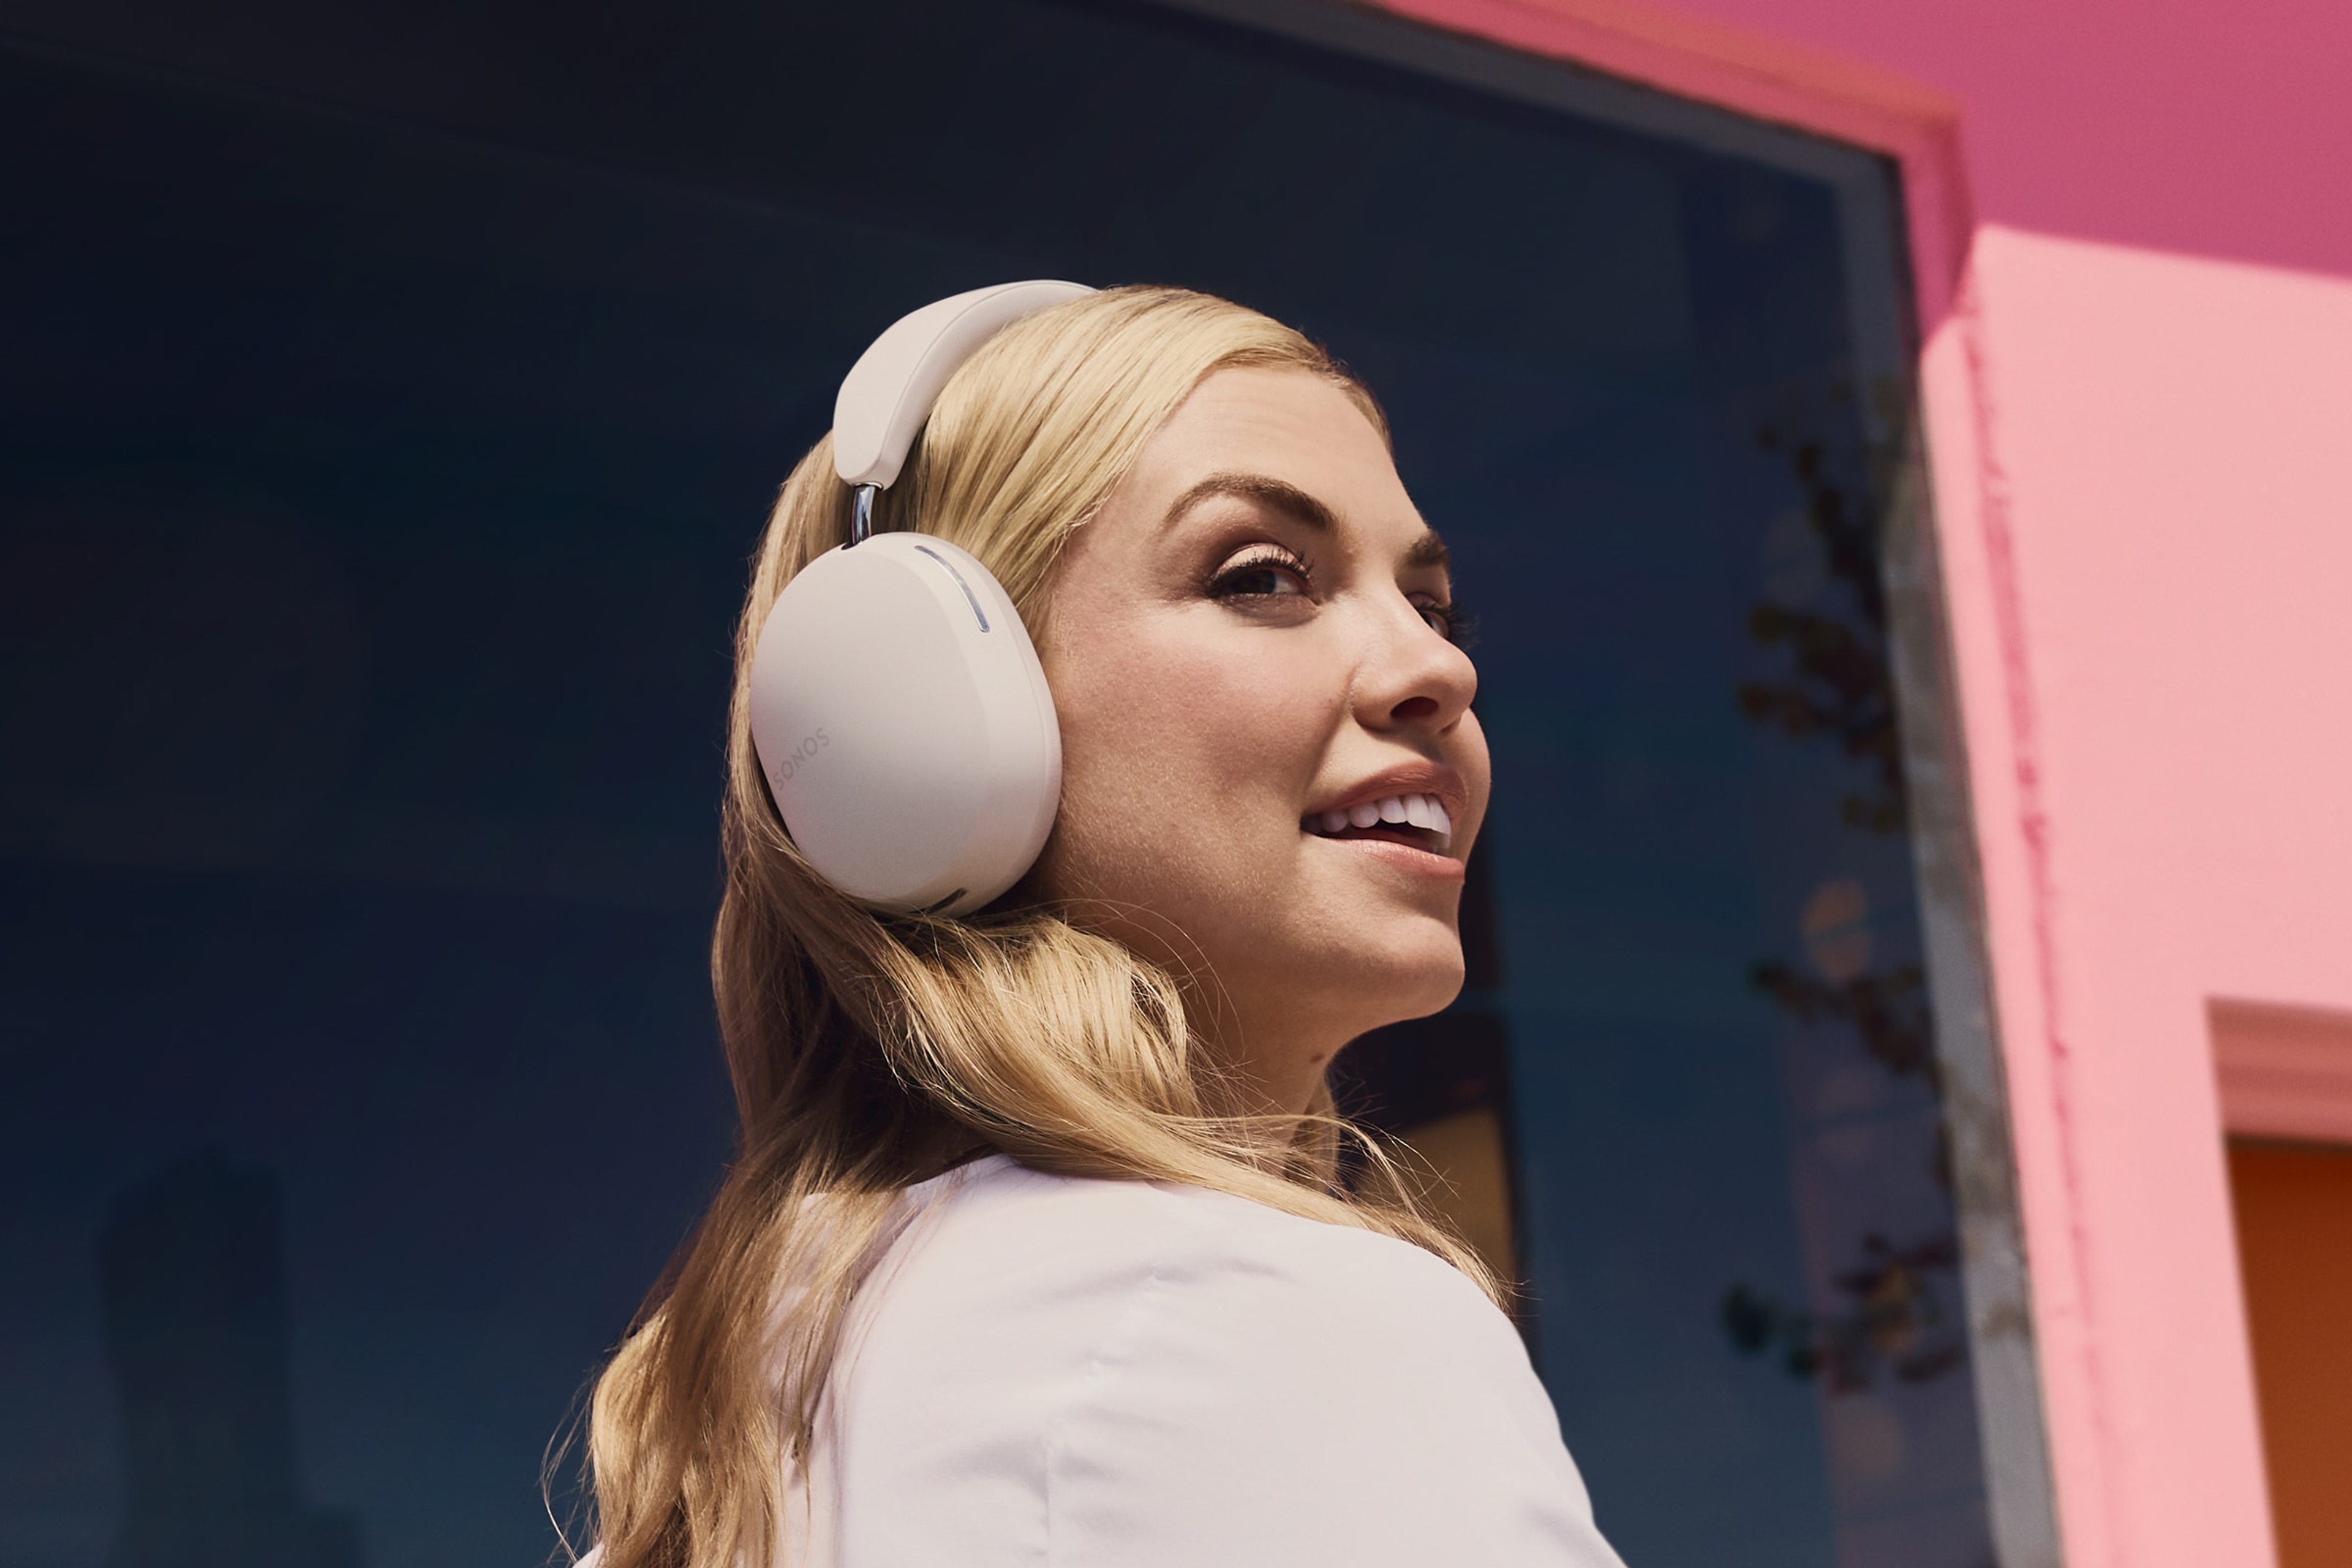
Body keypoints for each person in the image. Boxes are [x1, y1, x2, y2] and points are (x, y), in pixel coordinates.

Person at [575, 285, 1627, 1567]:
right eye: (1263, 578)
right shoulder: (1271, 1317)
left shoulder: (776, 1377)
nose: (1438, 667)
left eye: (1433, 605)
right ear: (937, 704)